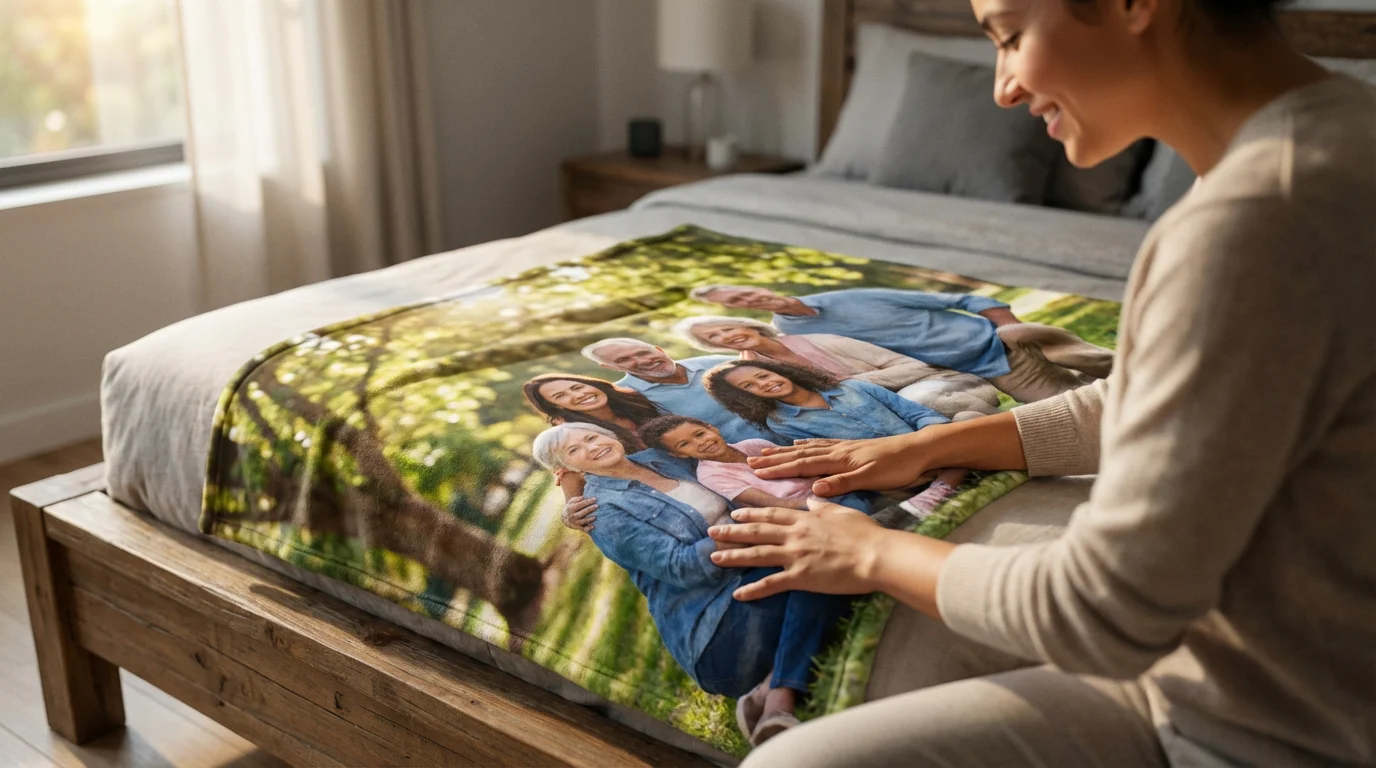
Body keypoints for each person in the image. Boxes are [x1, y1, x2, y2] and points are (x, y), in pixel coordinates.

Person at [706, 0, 1376, 764]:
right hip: (1228, 685)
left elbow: (1101, 611)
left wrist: (866, 552)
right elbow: (1163, 399)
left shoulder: (1254, 221)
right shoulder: (1329, 137)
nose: (1003, 88)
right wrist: (932, 444)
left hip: (1271, 734)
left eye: (1012, 37)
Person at [532, 423, 855, 746]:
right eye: (574, 451)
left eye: (592, 437)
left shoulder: (663, 459)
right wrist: (747, 531)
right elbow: (681, 566)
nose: (591, 448)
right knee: (814, 567)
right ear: (568, 468)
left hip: (757, 573)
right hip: (718, 635)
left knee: (830, 566)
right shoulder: (602, 512)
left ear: (611, 435)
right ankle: (779, 702)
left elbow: (725, 462)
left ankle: (768, 688)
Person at [690, 285, 1114, 403]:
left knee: (1099, 363)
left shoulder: (852, 298)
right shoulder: (798, 341)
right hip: (987, 370)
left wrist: (1007, 324)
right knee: (1077, 402)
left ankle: (1160, 376)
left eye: (743, 295)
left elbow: (963, 299)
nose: (749, 301)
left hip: (1001, 338)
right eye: (737, 303)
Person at [704, 360, 968, 517]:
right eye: (749, 386)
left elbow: (915, 413)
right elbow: (839, 455)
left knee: (964, 424)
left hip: (926, 440)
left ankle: (938, 486)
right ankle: (946, 481)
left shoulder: (851, 387)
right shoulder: (782, 422)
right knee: (875, 479)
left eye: (763, 375)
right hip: (888, 462)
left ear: (779, 371)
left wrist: (929, 435)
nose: (762, 384)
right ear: (747, 397)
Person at [673, 315, 1001, 420]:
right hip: (869, 410)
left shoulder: (816, 338)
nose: (725, 336)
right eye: (714, 338)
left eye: (725, 328)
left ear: (746, 326)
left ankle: (1000, 425)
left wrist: (856, 381)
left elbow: (913, 365)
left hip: (926, 381)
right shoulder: (750, 372)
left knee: (923, 402)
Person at [636, 414, 877, 515]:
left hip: (828, 486)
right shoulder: (711, 476)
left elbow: (804, 464)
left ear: (712, 428)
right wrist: (822, 503)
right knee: (855, 506)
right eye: (685, 445)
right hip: (805, 507)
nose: (701, 443)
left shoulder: (752, 444)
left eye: (700, 434)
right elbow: (776, 504)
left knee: (871, 475)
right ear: (678, 455)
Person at [581, 338, 781, 442]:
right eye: (623, 360)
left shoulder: (717, 363)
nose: (642, 361)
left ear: (659, 349)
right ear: (612, 368)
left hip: (795, 435)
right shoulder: (626, 397)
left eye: (643, 352)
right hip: (741, 464)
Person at [521, 373, 664, 451]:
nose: (578, 395)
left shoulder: (634, 399)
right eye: (560, 396)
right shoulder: (577, 437)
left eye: (577, 387)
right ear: (556, 407)